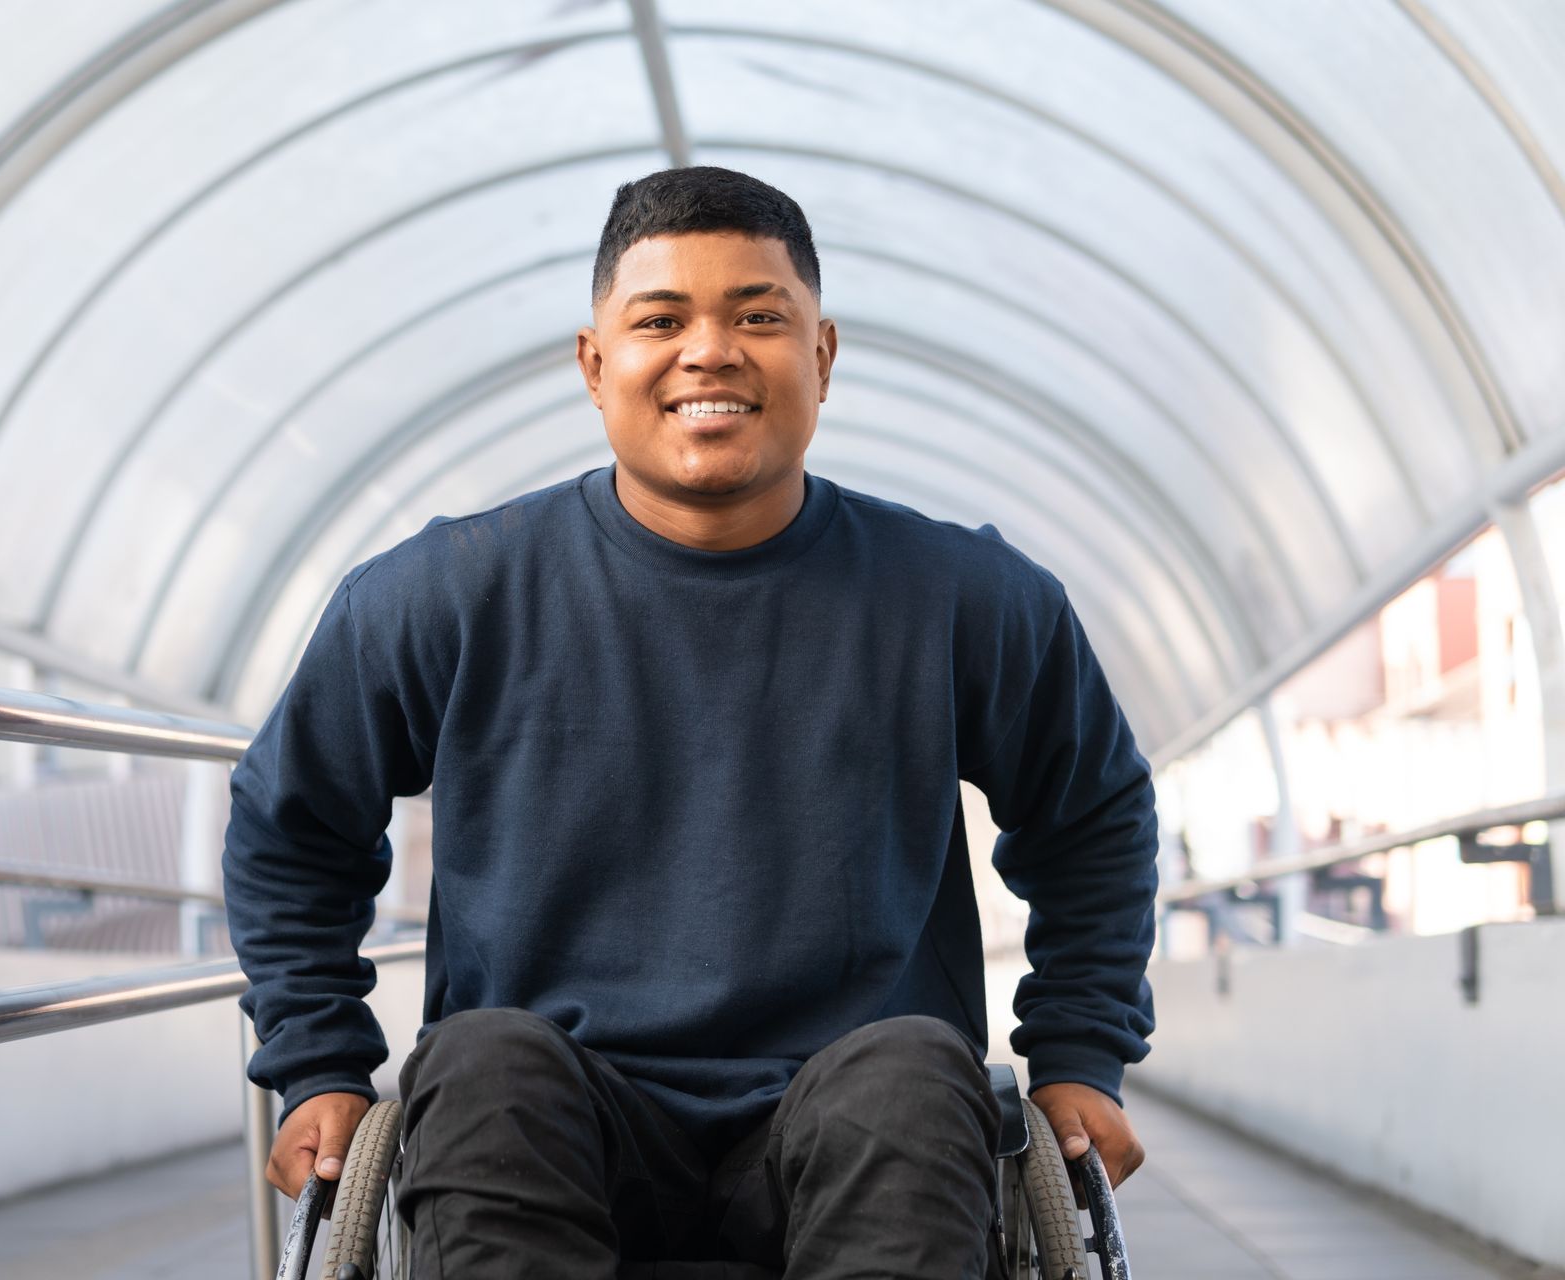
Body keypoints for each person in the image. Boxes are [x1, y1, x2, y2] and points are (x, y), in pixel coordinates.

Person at [224, 165, 1157, 1279]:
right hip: (553, 1107)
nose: (709, 351)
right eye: (660, 319)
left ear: (822, 356)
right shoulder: (449, 591)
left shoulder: (964, 595)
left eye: (760, 317)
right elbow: (292, 819)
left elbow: (1094, 815)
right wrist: (320, 1058)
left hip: (858, 1107)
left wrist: (1078, 1053)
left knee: (917, 1070)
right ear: (594, 362)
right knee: (477, 1063)